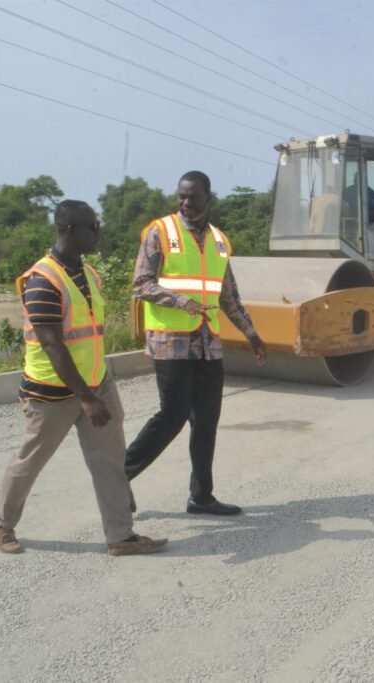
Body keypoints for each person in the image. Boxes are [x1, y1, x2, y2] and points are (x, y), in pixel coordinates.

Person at [0, 200, 167, 557]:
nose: (98, 233)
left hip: (95, 382)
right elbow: (53, 345)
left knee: (110, 460)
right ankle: (2, 523)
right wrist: (86, 398)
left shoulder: (87, 274)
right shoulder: (43, 280)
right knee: (31, 460)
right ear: (69, 229)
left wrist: (94, 389)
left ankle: (121, 536)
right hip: (51, 392)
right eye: (92, 227)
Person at [126, 171, 267, 516]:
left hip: (207, 343)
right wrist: (179, 301)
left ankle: (201, 496)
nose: (185, 203)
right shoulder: (160, 232)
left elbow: (227, 295)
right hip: (170, 341)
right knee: (172, 416)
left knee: (207, 419)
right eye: (181, 197)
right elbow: (141, 285)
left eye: (192, 197)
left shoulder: (220, 240)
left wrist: (251, 333)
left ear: (208, 198)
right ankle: (118, 477)